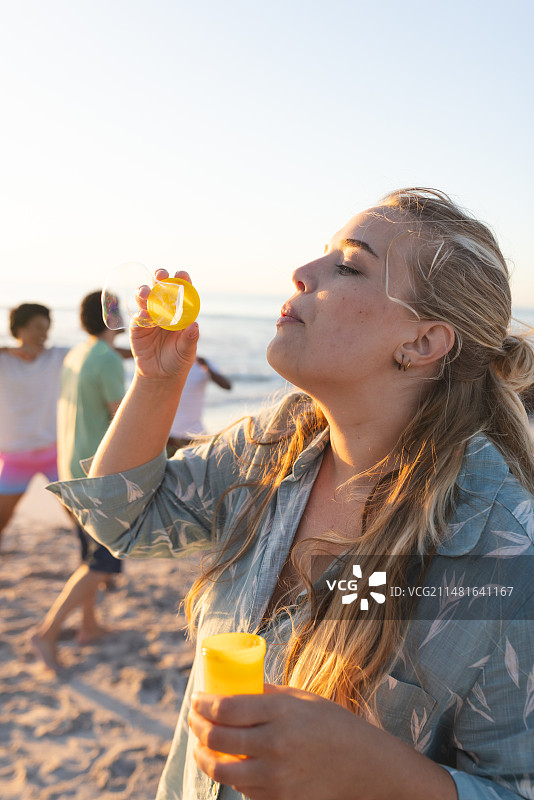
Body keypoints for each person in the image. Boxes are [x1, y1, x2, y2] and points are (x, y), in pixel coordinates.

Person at [48, 189, 534, 800]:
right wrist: (156, 382)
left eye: (348, 266)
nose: (301, 272)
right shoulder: (271, 447)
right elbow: (123, 519)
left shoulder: (504, 549)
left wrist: (370, 770)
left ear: (422, 343)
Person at [32, 291, 129, 671]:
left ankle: (88, 625)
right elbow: (122, 419)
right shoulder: (107, 358)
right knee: (104, 563)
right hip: (95, 474)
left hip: (70, 468)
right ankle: (47, 633)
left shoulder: (77, 354)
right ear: (112, 316)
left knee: (89, 556)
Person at [0, 303, 69, 549]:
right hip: (15, 457)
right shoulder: (3, 360)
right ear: (19, 329)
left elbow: (101, 353)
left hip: (55, 453)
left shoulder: (57, 356)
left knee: (81, 516)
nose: (44, 335)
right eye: (38, 328)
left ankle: (95, 565)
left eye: (47, 328)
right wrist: (7, 349)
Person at [167, 355, 232, 455]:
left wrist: (207, 368)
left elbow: (227, 386)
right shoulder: (166, 361)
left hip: (194, 435)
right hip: (168, 435)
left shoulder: (201, 363)